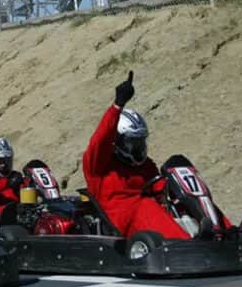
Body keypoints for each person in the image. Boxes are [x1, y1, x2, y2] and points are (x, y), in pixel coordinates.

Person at [82, 71, 231, 239]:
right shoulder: (99, 165)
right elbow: (100, 139)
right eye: (132, 143)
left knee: (184, 199)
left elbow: (158, 185)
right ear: (117, 141)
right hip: (121, 218)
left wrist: (177, 191)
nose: (137, 148)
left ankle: (225, 230)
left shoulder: (145, 166)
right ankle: (187, 243)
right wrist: (117, 106)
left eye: (139, 142)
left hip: (148, 217)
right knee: (146, 205)